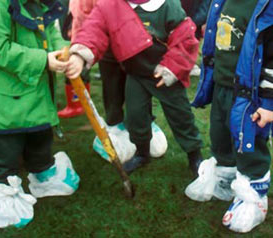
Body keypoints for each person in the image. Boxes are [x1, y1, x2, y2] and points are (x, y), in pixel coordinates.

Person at [0, 0, 80, 230]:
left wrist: (64, 53)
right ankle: (2, 191)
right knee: (5, 152)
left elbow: (52, 35)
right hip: (3, 103)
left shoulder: (37, 5)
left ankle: (42, 172)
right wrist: (42, 60)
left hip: (35, 97)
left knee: (40, 139)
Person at [65, 0, 204, 174]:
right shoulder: (111, 5)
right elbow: (93, 28)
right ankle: (142, 153)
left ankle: (194, 154)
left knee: (180, 115)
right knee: (136, 116)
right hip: (136, 73)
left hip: (165, 73)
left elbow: (185, 38)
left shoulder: (168, 5)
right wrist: (79, 54)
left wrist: (172, 68)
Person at [185, 0, 273, 233]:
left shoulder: (266, 6)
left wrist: (269, 102)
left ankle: (254, 196)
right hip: (222, 85)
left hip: (250, 94)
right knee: (220, 133)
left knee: (248, 144)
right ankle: (225, 179)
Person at [181, 0, 211, 76]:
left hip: (193, 23)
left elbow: (204, 10)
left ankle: (189, 64)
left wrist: (191, 23)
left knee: (191, 42)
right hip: (179, 18)